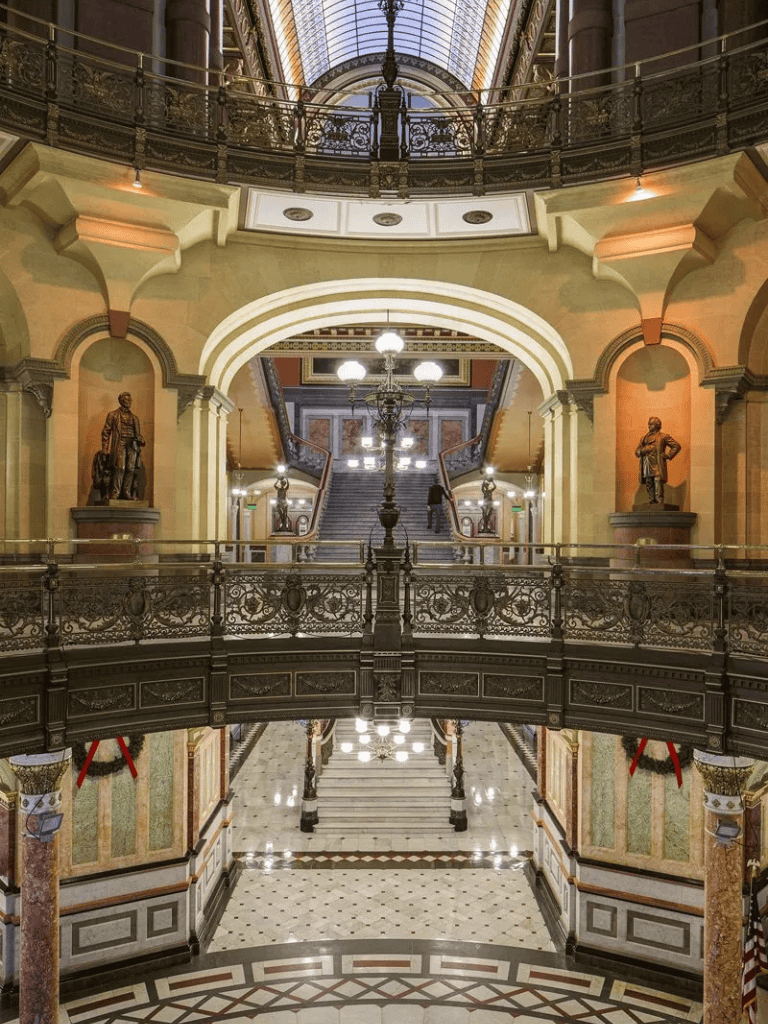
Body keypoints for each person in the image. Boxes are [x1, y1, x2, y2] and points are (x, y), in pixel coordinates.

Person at [101, 392, 145, 500]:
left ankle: (126, 492)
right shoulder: (113, 415)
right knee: (120, 467)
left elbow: (138, 434)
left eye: (129, 400)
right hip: (119, 443)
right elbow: (106, 432)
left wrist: (141, 440)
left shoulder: (135, 418)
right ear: (121, 401)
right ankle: (115, 492)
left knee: (130, 468)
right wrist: (105, 448)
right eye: (126, 400)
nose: (128, 402)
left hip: (132, 445)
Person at [634, 416, 681, 505]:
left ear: (657, 425)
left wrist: (668, 455)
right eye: (648, 424)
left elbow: (676, 446)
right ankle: (651, 503)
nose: (648, 425)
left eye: (651, 424)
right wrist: (644, 450)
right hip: (647, 465)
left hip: (657, 464)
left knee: (658, 483)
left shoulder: (663, 436)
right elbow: (637, 452)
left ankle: (659, 503)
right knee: (649, 484)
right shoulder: (644, 438)